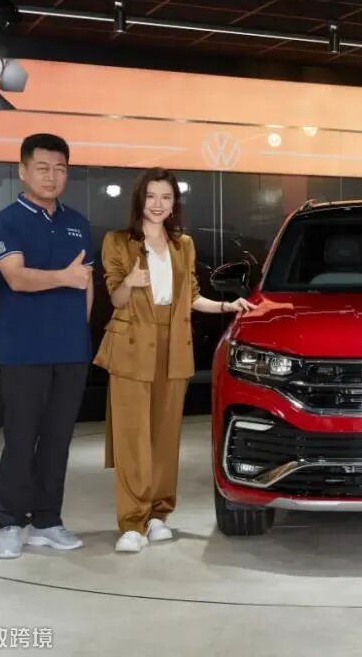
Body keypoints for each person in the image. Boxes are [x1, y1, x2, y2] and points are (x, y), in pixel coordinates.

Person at [94, 168, 257, 554]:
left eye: (165, 197)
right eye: (151, 196)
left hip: (174, 344)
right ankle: (131, 522)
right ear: (140, 199)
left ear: (174, 204)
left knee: (165, 438)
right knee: (133, 438)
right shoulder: (117, 241)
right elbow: (115, 297)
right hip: (132, 343)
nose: (157, 204)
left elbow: (191, 297)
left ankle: (158, 516)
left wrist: (227, 305)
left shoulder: (183, 244)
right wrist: (130, 282)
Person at [0, 133, 93, 559]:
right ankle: (11, 522)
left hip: (71, 351)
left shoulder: (78, 222)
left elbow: (87, 285)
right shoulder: (5, 222)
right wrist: (63, 278)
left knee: (57, 439)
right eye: (43, 168)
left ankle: (47, 521)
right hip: (23, 351)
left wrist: (78, 328)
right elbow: (15, 277)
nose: (51, 177)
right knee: (20, 437)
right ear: (23, 171)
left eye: (60, 168)